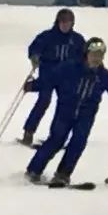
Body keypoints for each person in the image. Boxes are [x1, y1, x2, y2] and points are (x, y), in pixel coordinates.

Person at [22, 37, 108, 185]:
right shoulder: (69, 67)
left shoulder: (104, 76)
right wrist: (33, 85)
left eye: (100, 55)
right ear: (86, 53)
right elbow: (49, 79)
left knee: (78, 142)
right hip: (65, 111)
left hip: (86, 114)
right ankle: (34, 170)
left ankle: (63, 174)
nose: (96, 58)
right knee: (56, 139)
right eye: (94, 54)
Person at [22, 8, 86, 145]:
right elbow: (34, 48)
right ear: (58, 22)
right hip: (48, 74)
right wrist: (35, 58)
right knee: (44, 101)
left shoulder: (77, 40)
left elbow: (84, 56)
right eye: (63, 22)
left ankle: (56, 138)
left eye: (68, 22)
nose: (65, 25)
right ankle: (28, 132)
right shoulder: (47, 36)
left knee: (64, 106)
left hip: (67, 78)